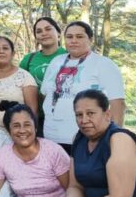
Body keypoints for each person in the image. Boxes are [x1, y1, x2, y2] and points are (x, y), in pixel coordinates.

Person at [40, 21, 126, 152]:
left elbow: (117, 104)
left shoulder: (103, 64)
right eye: (69, 37)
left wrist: (114, 139)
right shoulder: (56, 61)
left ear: (90, 39)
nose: (73, 41)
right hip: (51, 140)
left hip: (86, 140)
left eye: (79, 37)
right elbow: (46, 93)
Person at [0, 36, 38, 129]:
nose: (1, 51)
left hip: (15, 133)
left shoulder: (25, 77)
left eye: (5, 48)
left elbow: (32, 112)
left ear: (13, 53)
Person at [19, 17, 66, 87]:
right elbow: (18, 84)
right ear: (36, 37)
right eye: (39, 31)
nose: (44, 33)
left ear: (58, 33)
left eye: (48, 29)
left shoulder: (71, 56)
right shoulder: (28, 59)